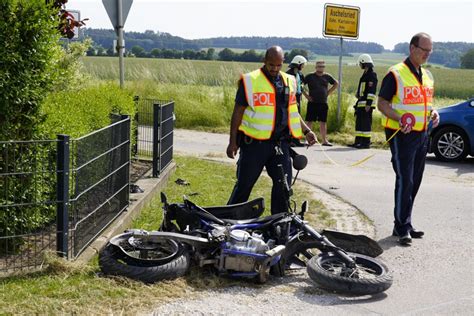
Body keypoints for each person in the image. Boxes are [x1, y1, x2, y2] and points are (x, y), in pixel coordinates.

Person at [226, 46, 317, 214]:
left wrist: (306, 131)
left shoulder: (289, 80)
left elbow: (293, 112)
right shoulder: (250, 80)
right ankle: (228, 222)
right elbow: (237, 113)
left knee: (283, 186)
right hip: (254, 145)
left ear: (283, 63)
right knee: (244, 185)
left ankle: (278, 225)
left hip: (280, 145)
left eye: (278, 65)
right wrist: (232, 142)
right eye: (271, 65)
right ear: (264, 61)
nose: (274, 69)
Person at [377, 32, 439, 245]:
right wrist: (400, 118)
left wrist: (433, 112)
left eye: (430, 51)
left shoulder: (428, 75)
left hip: (423, 134)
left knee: (416, 179)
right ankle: (402, 226)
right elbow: (382, 103)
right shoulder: (395, 73)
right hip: (401, 134)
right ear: (412, 48)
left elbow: (426, 103)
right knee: (406, 178)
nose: (427, 54)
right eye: (424, 50)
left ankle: (405, 222)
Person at [304, 60, 338, 146]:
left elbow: (336, 83)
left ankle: (324, 140)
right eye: (319, 66)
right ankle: (306, 139)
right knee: (309, 121)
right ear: (315, 67)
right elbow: (301, 85)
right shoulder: (310, 76)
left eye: (322, 66)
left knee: (323, 122)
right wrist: (306, 96)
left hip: (323, 103)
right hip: (312, 102)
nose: (321, 68)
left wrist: (328, 92)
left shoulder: (327, 76)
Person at [349, 54, 378, 149]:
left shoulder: (372, 75)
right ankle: (358, 142)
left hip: (366, 104)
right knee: (359, 123)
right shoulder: (365, 74)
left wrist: (369, 104)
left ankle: (366, 143)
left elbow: (371, 90)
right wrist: (358, 94)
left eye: (361, 63)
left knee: (365, 124)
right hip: (361, 103)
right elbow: (363, 88)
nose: (360, 65)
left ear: (364, 63)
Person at [286, 55, 308, 147]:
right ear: (298, 64)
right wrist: (292, 99)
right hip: (291, 99)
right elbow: (286, 88)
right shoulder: (288, 74)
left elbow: (302, 86)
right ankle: (288, 139)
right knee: (289, 119)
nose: (303, 66)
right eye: (302, 65)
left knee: (296, 120)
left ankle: (296, 140)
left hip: (298, 98)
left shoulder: (300, 74)